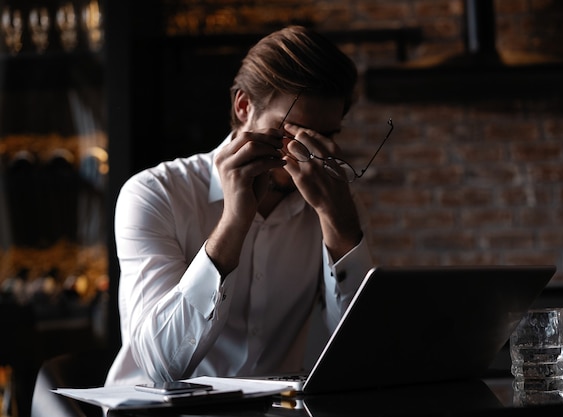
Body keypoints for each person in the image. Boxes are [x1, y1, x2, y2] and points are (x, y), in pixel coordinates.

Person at [105, 25, 377, 386]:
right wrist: (234, 222)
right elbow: (160, 366)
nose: (310, 155)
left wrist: (339, 223)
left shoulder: (334, 201)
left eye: (325, 138)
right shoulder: (154, 195)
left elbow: (364, 352)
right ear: (244, 106)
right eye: (292, 134)